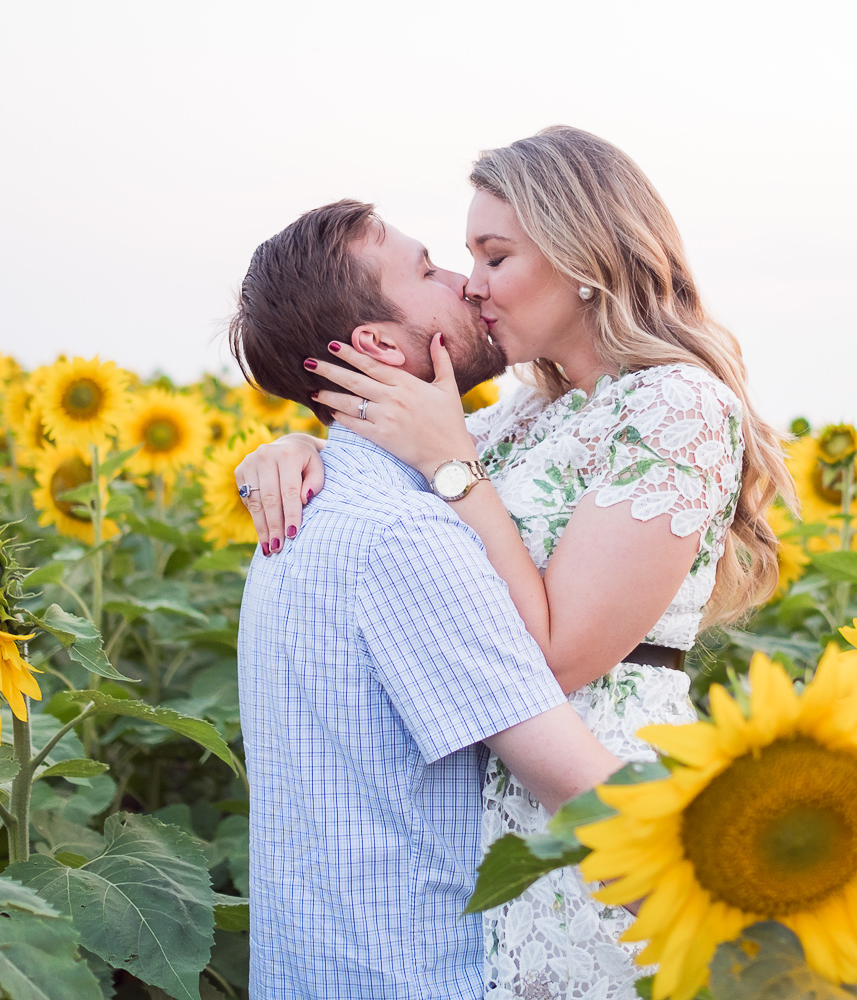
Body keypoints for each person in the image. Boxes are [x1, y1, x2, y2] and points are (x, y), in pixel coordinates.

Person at [237, 127, 794, 999]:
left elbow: (556, 654)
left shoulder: (677, 405)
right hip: (490, 830)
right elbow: (395, 493)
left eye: (495, 256)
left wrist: (449, 466)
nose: (473, 284)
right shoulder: (513, 422)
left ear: (582, 255)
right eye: (461, 260)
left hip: (593, 791)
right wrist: (294, 448)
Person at [229, 198, 623, 1000]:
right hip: (410, 974)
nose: (466, 283)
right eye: (429, 270)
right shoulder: (403, 537)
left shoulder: (315, 508)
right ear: (378, 345)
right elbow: (580, 788)